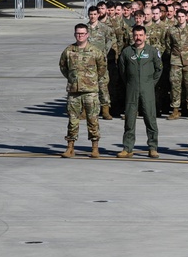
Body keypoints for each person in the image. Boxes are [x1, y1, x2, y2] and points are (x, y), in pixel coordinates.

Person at [59, 23, 109, 158]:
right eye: (77, 33)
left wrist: (91, 80)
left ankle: (95, 147)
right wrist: (73, 79)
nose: (80, 36)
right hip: (74, 91)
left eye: (82, 33)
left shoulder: (95, 51)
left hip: (90, 91)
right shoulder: (69, 50)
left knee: (93, 119)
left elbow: (102, 68)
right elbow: (63, 67)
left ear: (87, 34)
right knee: (72, 119)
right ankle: (70, 147)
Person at [116, 25, 163, 158]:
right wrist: (131, 83)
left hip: (147, 89)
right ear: (133, 36)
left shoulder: (152, 51)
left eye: (141, 35)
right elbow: (123, 71)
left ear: (145, 36)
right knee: (130, 119)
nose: (138, 38)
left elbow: (159, 69)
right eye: (136, 35)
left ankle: (153, 147)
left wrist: (150, 83)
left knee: (150, 118)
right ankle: (127, 148)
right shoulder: (126, 52)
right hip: (132, 89)